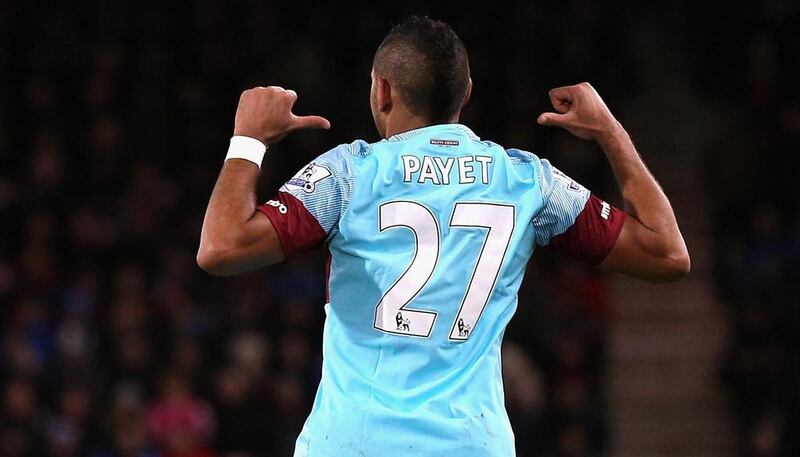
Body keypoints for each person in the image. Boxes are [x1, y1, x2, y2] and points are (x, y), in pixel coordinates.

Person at [197, 15, 689, 457]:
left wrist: (249, 140)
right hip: (473, 445)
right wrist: (610, 132)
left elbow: (221, 248)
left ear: (382, 90)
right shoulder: (525, 181)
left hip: (354, 443)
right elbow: (666, 253)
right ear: (466, 92)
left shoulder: (351, 174)